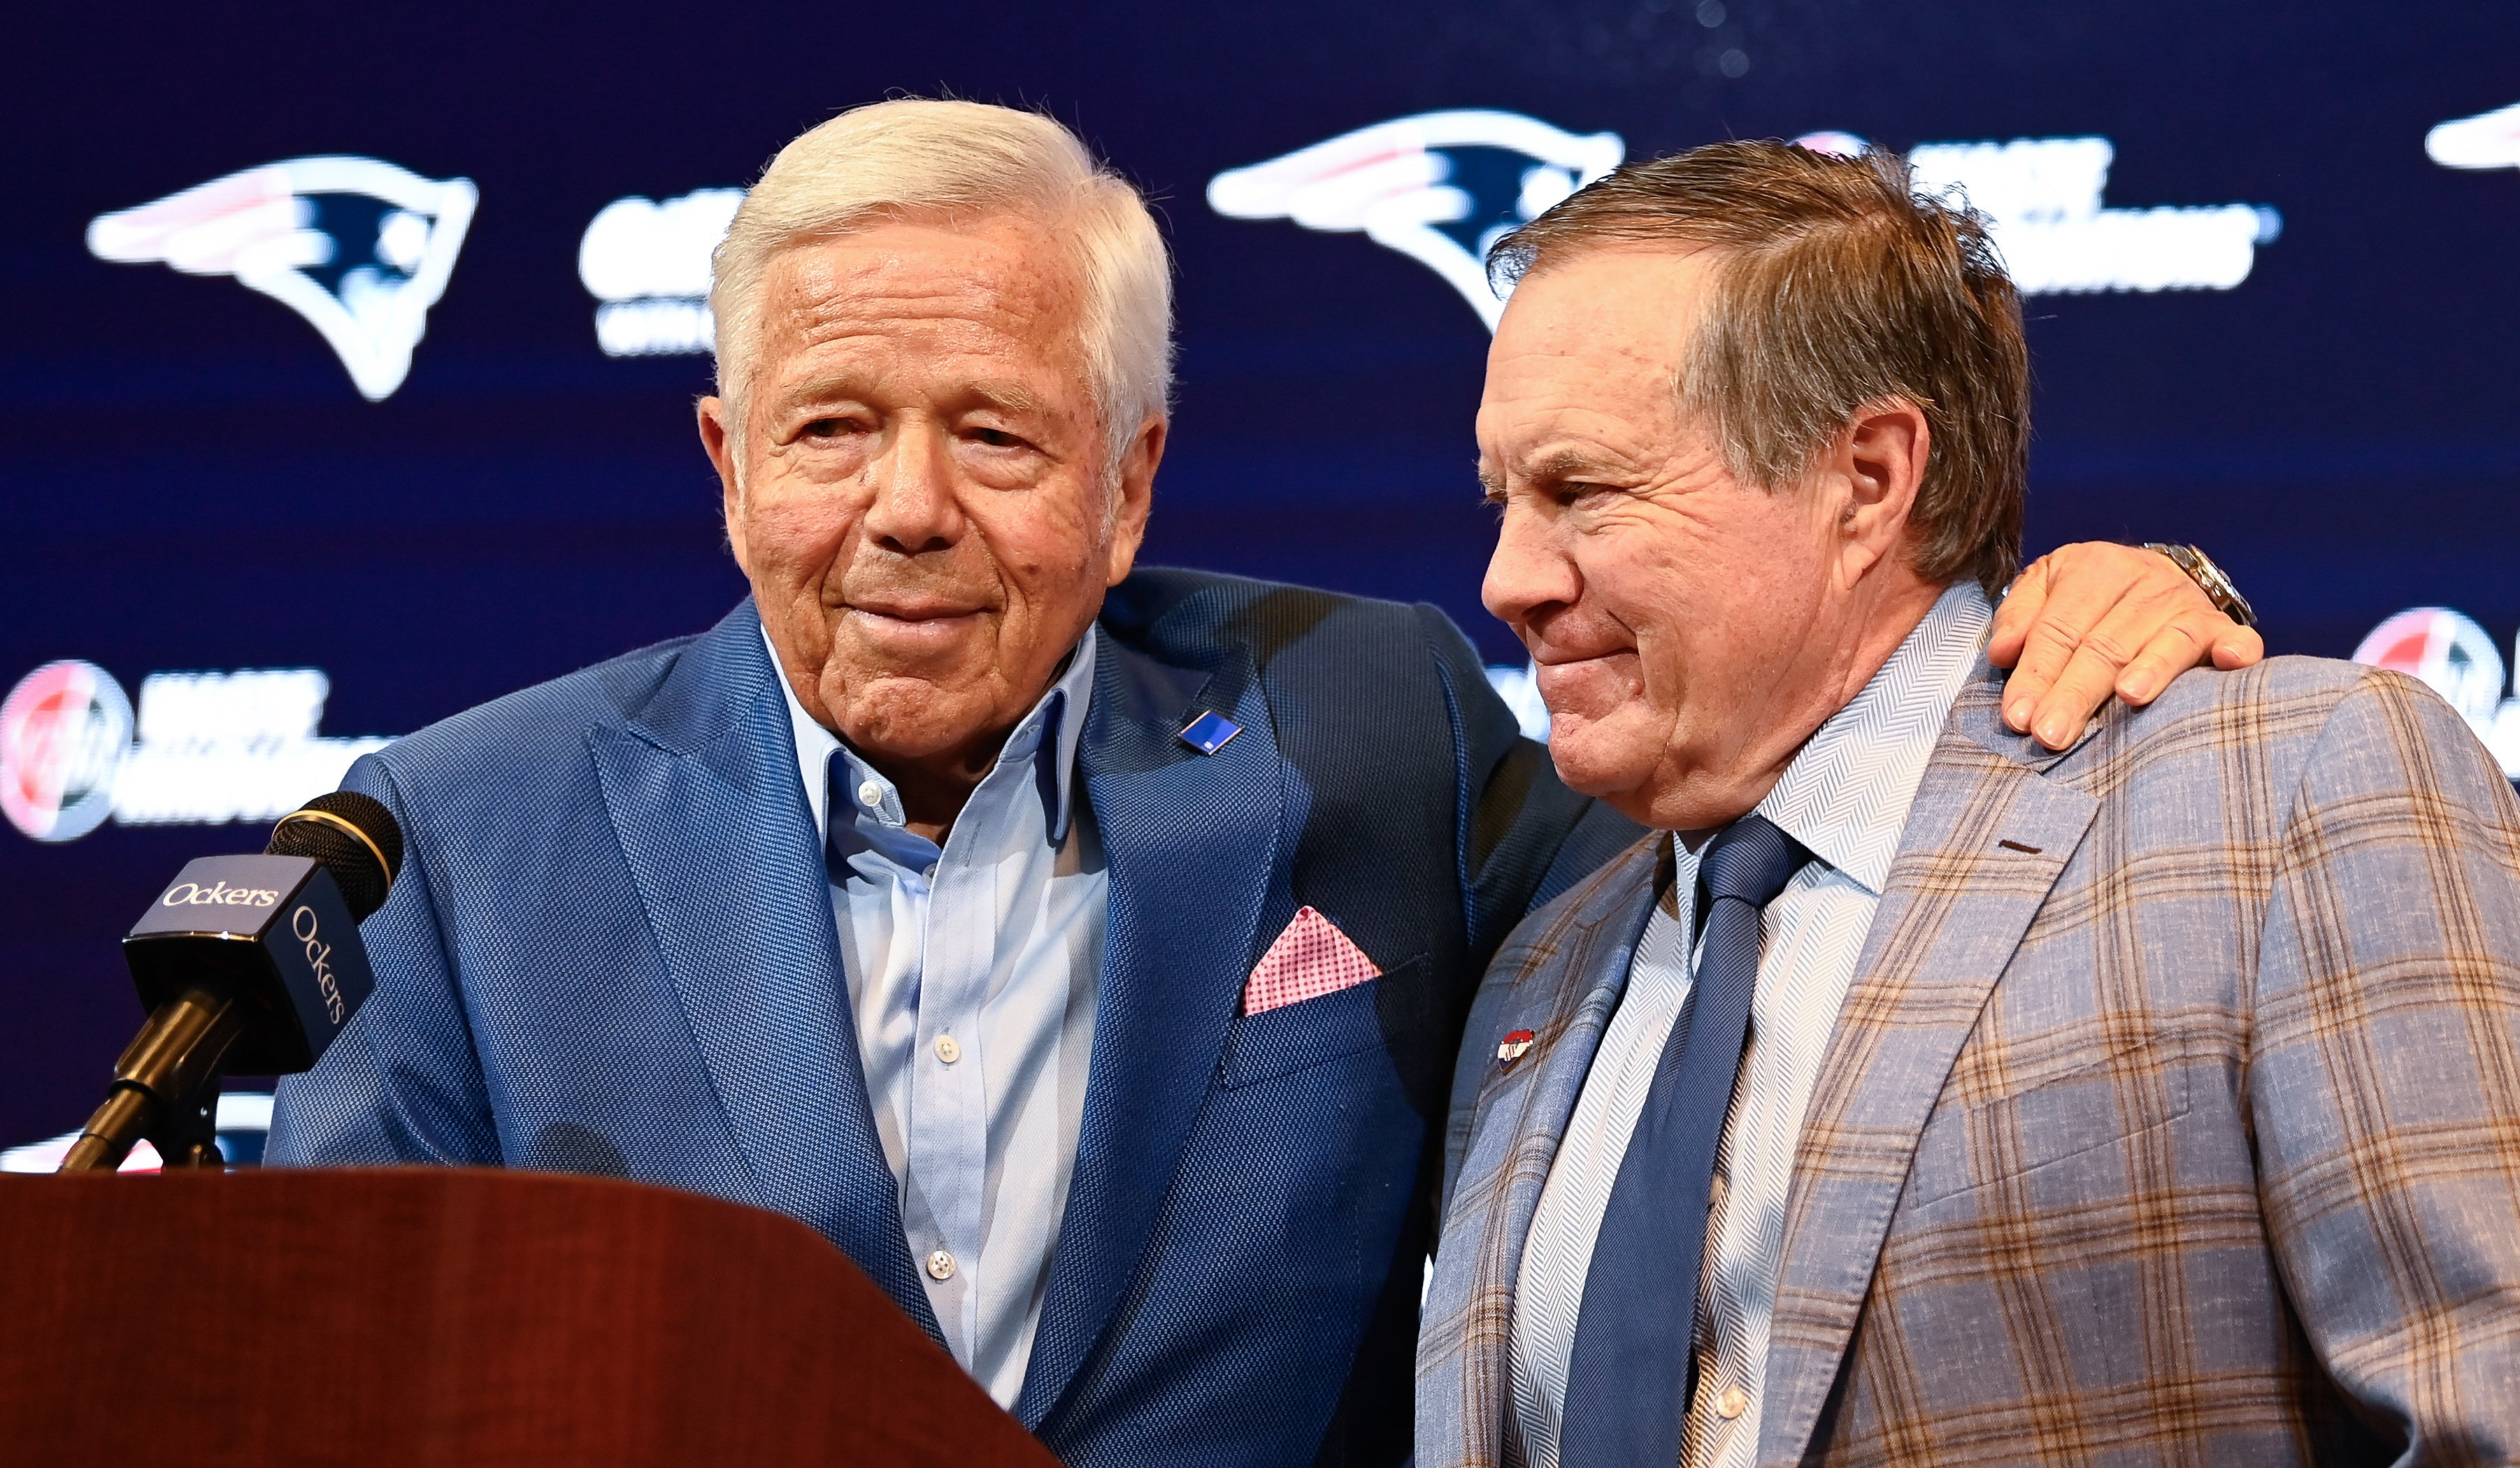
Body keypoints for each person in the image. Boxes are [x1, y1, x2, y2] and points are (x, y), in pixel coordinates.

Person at [267, 101, 2251, 1468]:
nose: (905, 512)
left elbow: (1773, 809)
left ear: (1132, 484)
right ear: (724, 463)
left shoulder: (1363, 720)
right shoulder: (460, 841)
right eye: (831, 430)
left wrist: (2070, 599)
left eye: (996, 436)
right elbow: (334, 1404)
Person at [1417, 138, 2520, 1468]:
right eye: (1503, 499)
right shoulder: (1544, 966)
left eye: (1584, 491)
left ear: (1866, 478)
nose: (1510, 577)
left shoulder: (2290, 790)